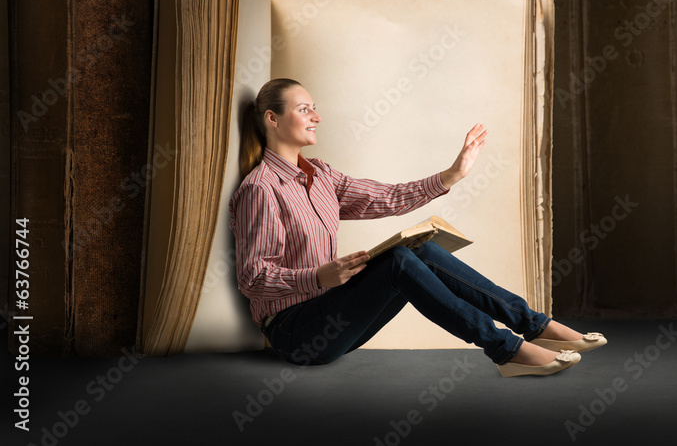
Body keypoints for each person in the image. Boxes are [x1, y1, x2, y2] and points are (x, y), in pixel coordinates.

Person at [229, 78, 606, 377]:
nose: (317, 116)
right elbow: (252, 278)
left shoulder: (322, 175)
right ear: (272, 119)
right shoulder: (260, 189)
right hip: (296, 335)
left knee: (417, 249)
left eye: (315, 108)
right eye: (304, 108)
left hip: (334, 320)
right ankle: (506, 351)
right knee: (396, 261)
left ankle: (535, 325)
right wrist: (318, 277)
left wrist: (450, 175)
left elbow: (385, 198)